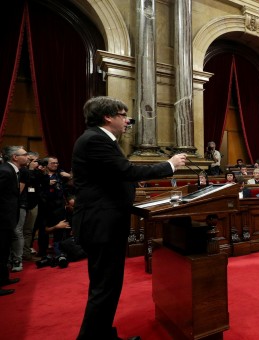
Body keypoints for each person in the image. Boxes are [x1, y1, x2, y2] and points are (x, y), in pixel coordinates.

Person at [72, 96, 187, 339]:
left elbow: (116, 175)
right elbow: (127, 172)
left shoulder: (99, 139)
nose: (127, 121)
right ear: (108, 116)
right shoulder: (95, 140)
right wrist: (170, 165)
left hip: (104, 222)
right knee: (105, 287)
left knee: (107, 286)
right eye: (123, 115)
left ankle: (103, 334)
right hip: (102, 224)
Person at [0, 146, 29, 296]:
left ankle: (3, 279)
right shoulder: (5, 171)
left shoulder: (11, 170)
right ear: (15, 158)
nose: (28, 157)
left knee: (4, 250)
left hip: (7, 218)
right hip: (2, 219)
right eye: (24, 154)